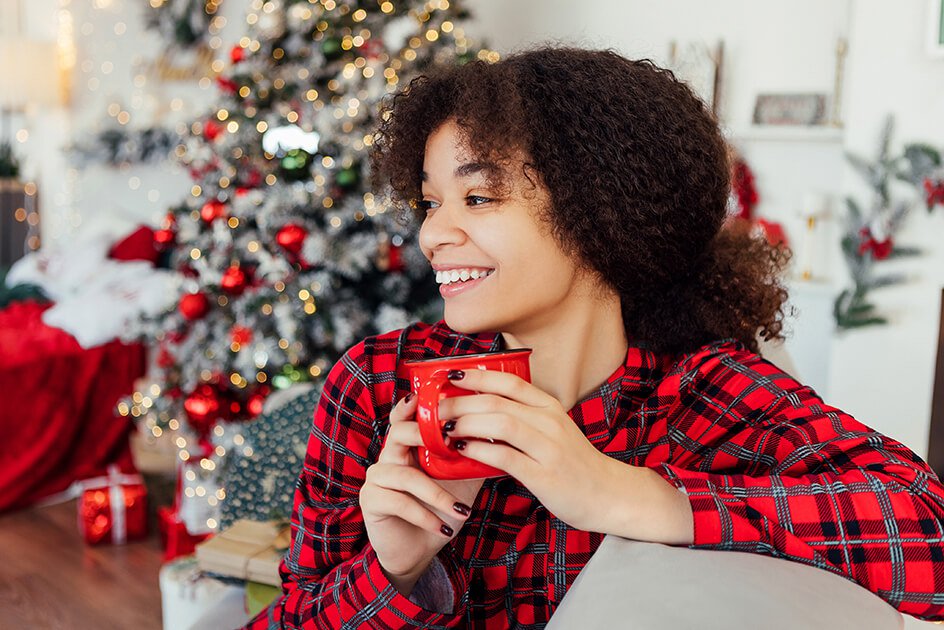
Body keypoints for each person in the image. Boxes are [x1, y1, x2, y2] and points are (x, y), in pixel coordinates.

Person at [246, 47, 944, 629]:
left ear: (596, 211)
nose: (432, 234)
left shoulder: (707, 395)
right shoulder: (378, 382)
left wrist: (616, 492)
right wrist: (396, 572)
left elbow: (927, 529)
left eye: (478, 197)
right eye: (431, 202)